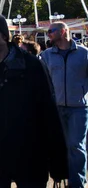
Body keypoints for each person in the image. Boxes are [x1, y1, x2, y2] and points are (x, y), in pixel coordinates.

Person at [0, 12, 68, 188]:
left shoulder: (31, 66)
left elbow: (48, 113)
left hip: (29, 154)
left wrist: (58, 164)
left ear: (4, 34)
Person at [41, 22, 88, 188]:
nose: (48, 35)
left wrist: (83, 93)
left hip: (79, 108)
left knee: (76, 146)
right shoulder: (46, 55)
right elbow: (44, 81)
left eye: (51, 31)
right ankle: (60, 176)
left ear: (63, 31)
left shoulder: (84, 54)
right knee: (58, 146)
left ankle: (77, 184)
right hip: (57, 107)